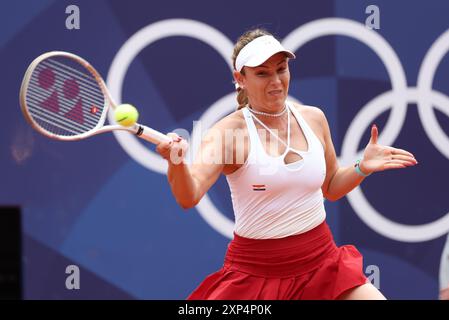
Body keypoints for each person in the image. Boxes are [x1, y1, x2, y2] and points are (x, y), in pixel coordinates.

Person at [155, 29, 418, 300]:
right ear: (240, 79)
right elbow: (189, 195)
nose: (276, 81)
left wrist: (362, 166)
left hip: (322, 263)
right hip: (257, 274)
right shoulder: (225, 135)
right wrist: (175, 162)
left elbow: (331, 187)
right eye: (262, 73)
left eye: (281, 69)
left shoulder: (313, 118)